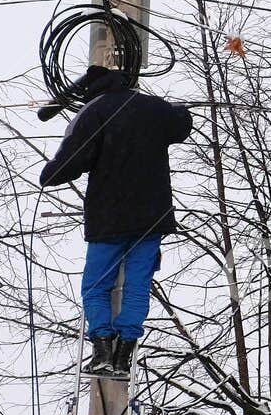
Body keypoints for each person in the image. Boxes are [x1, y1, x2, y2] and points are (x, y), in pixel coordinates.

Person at [38, 65, 192, 378]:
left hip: (108, 219)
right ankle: (125, 352)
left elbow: (70, 161)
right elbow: (181, 124)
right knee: (138, 285)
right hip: (151, 217)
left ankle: (102, 348)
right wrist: (178, 111)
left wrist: (50, 173)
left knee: (96, 287)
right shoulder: (151, 107)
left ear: (90, 89)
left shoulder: (93, 113)